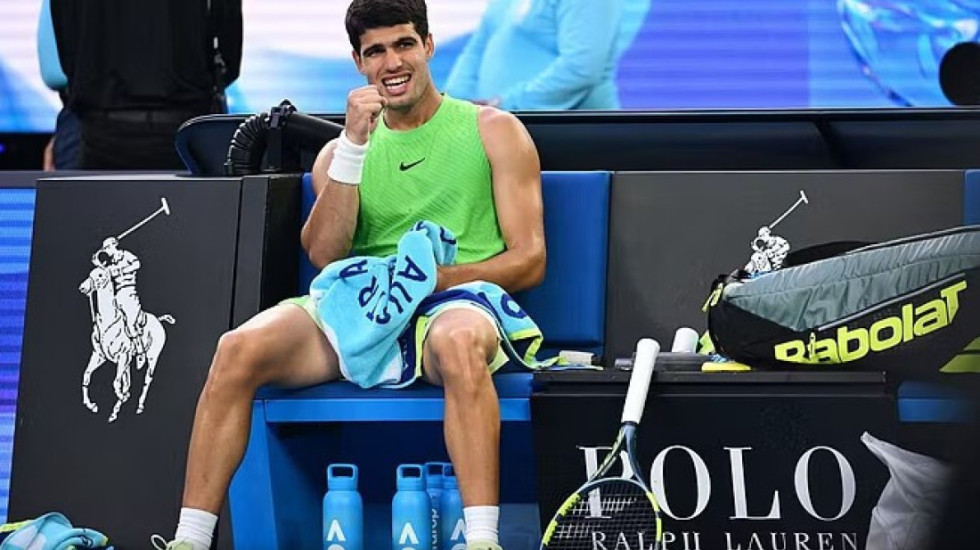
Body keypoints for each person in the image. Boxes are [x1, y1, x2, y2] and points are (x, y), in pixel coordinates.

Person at [152, 1, 545, 549]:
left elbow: (528, 259)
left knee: (459, 344)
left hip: (453, 299)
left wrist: (430, 281)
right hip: (362, 300)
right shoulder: (341, 151)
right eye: (376, 51)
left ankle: (482, 541)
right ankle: (189, 541)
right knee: (236, 349)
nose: (393, 62)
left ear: (428, 46)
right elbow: (323, 253)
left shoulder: (494, 130)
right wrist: (354, 148)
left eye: (404, 44)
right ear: (359, 63)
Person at [49, 0, 242, 170]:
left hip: (102, 128)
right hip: (183, 123)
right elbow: (227, 37)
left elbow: (66, 36)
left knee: (100, 211)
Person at [444, 0, 650, 110]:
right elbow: (476, 49)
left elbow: (582, 66)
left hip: (565, 140)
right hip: (498, 135)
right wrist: (456, 107)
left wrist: (506, 105)